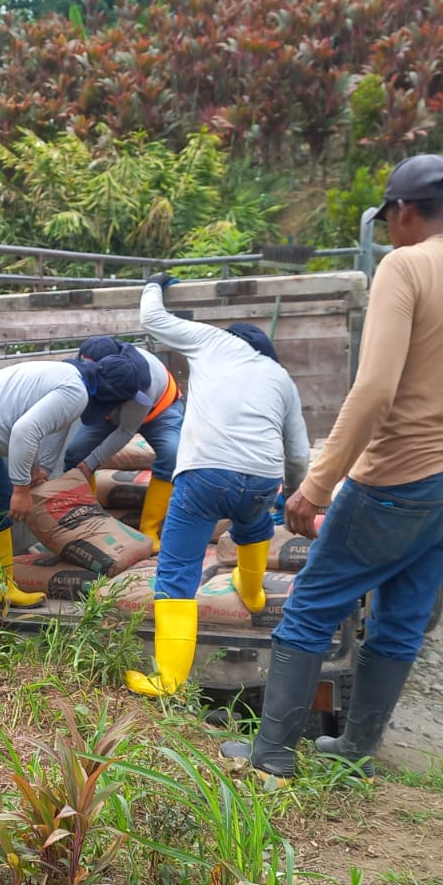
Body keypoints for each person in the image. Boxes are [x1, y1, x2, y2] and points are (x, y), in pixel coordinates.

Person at [222, 153, 443, 777]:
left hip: (396, 478)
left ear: (404, 211)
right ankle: (356, 752)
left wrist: (316, 485)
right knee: (402, 619)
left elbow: (375, 389)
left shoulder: (405, 267)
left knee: (311, 608)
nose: (390, 230)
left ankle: (271, 755)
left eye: (389, 219)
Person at [124, 276, 311, 697]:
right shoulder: (280, 377)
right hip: (263, 479)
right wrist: (293, 495)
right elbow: (299, 453)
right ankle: (253, 592)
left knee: (177, 571)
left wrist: (154, 285)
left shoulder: (212, 342)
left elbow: (152, 318)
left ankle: (169, 678)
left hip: (205, 475)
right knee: (254, 524)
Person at [0, 354, 151, 632]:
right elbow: (24, 431)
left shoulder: (71, 377)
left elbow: (26, 424)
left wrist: (33, 468)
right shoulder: (75, 392)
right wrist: (21, 489)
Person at [63, 335, 182, 549]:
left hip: (159, 412)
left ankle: (149, 530)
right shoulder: (86, 366)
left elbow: (126, 430)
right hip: (108, 410)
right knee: (75, 454)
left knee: (172, 455)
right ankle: (89, 525)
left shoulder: (142, 382)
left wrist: (91, 462)